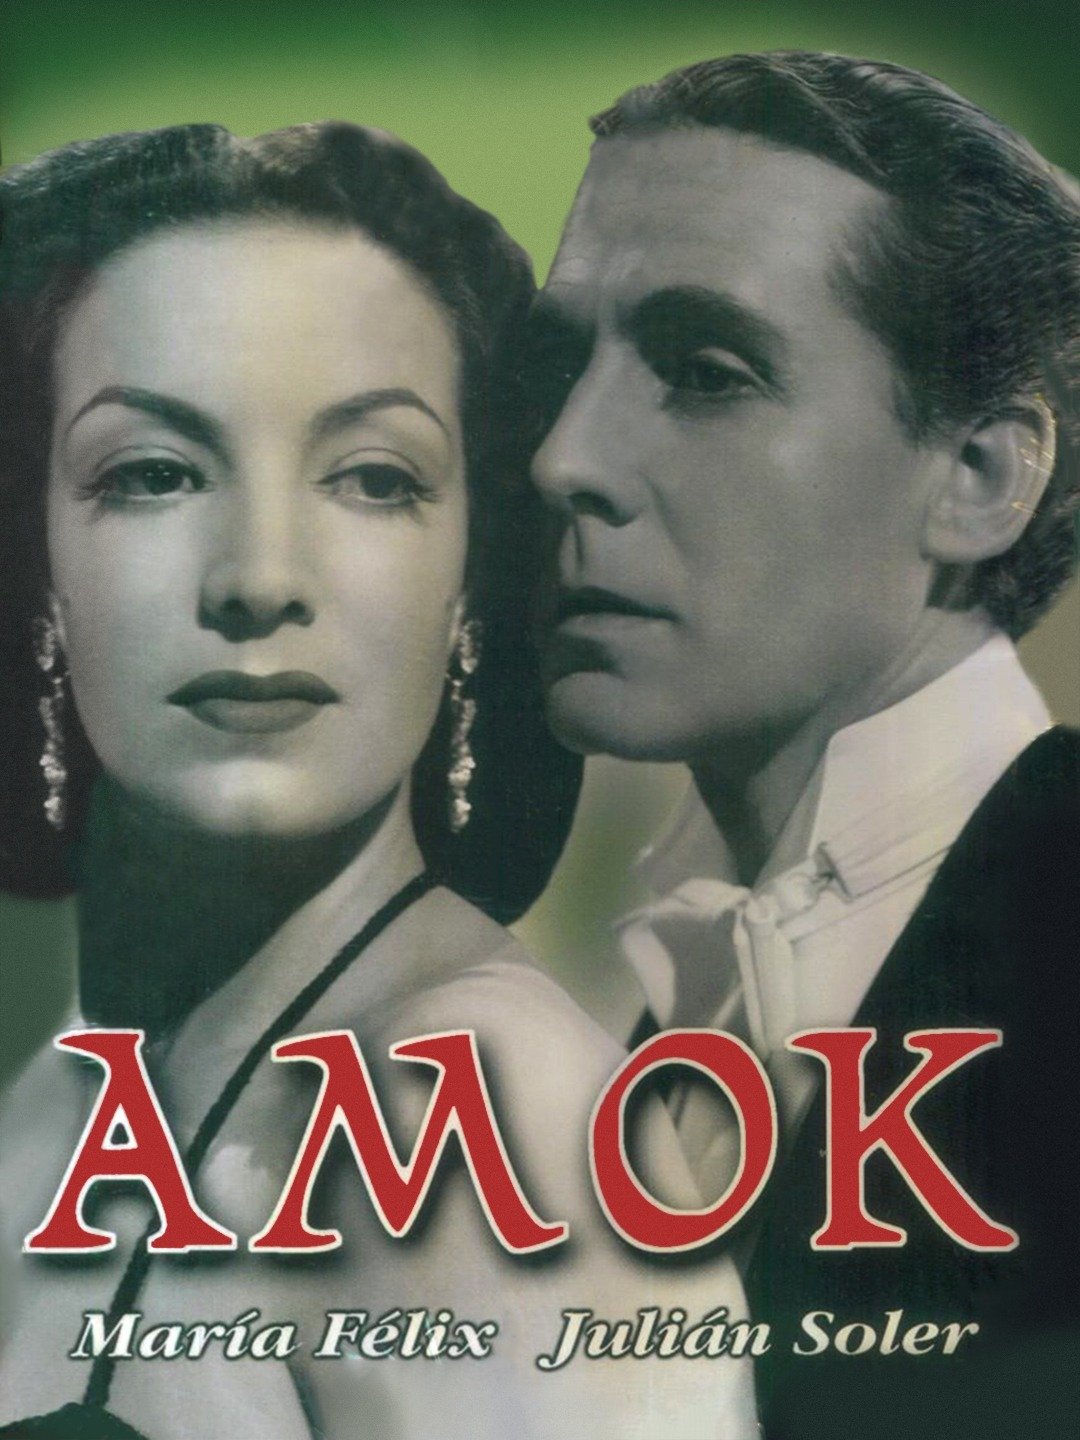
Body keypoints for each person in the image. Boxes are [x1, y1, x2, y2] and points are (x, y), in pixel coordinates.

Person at [0, 123, 756, 1439]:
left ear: (473, 579)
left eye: (372, 478)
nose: (260, 579)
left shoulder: (482, 1125)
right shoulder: (62, 1095)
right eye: (154, 473)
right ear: (36, 564)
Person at [527, 52, 1080, 1438]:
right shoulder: (690, 975)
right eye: (560, 364)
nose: (562, 458)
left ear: (980, 478)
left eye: (707, 374)